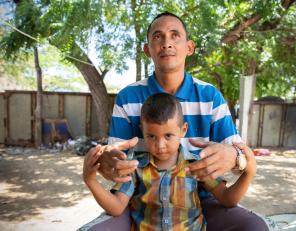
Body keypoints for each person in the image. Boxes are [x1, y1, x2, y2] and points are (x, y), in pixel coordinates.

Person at [81, 11, 269, 231]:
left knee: (255, 227)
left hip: (202, 200)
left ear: (189, 47)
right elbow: (116, 162)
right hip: (141, 201)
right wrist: (108, 162)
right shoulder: (128, 97)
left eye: (174, 35)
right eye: (158, 36)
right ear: (147, 49)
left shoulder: (210, 97)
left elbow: (239, 157)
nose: (166, 43)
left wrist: (237, 158)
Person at [83, 93, 257, 230]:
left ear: (183, 130)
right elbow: (116, 208)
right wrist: (90, 180)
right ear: (141, 130)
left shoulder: (195, 165)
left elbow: (228, 199)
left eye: (168, 136)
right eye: (151, 136)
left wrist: (249, 172)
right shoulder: (135, 167)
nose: (160, 145)